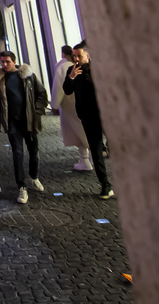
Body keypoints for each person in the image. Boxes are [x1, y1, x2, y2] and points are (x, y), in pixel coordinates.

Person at [0, 51, 49, 204]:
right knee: (17, 153)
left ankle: (34, 176)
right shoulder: (0, 79)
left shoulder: (27, 75)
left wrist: (36, 111)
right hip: (12, 123)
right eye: (2, 62)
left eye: (7, 62)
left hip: (29, 121)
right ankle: (21, 186)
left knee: (33, 151)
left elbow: (42, 94)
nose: (4, 65)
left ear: (14, 61)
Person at [63, 40, 114, 199]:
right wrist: (70, 78)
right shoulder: (72, 70)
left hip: (107, 114)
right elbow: (67, 90)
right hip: (88, 116)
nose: (76, 59)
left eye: (79, 56)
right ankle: (105, 185)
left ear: (88, 55)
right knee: (96, 150)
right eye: (74, 56)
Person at [51, 45, 91, 170]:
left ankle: (85, 159)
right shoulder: (81, 66)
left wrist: (54, 105)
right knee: (85, 131)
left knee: (79, 133)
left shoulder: (62, 67)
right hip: (83, 103)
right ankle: (88, 158)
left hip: (69, 105)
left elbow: (58, 87)